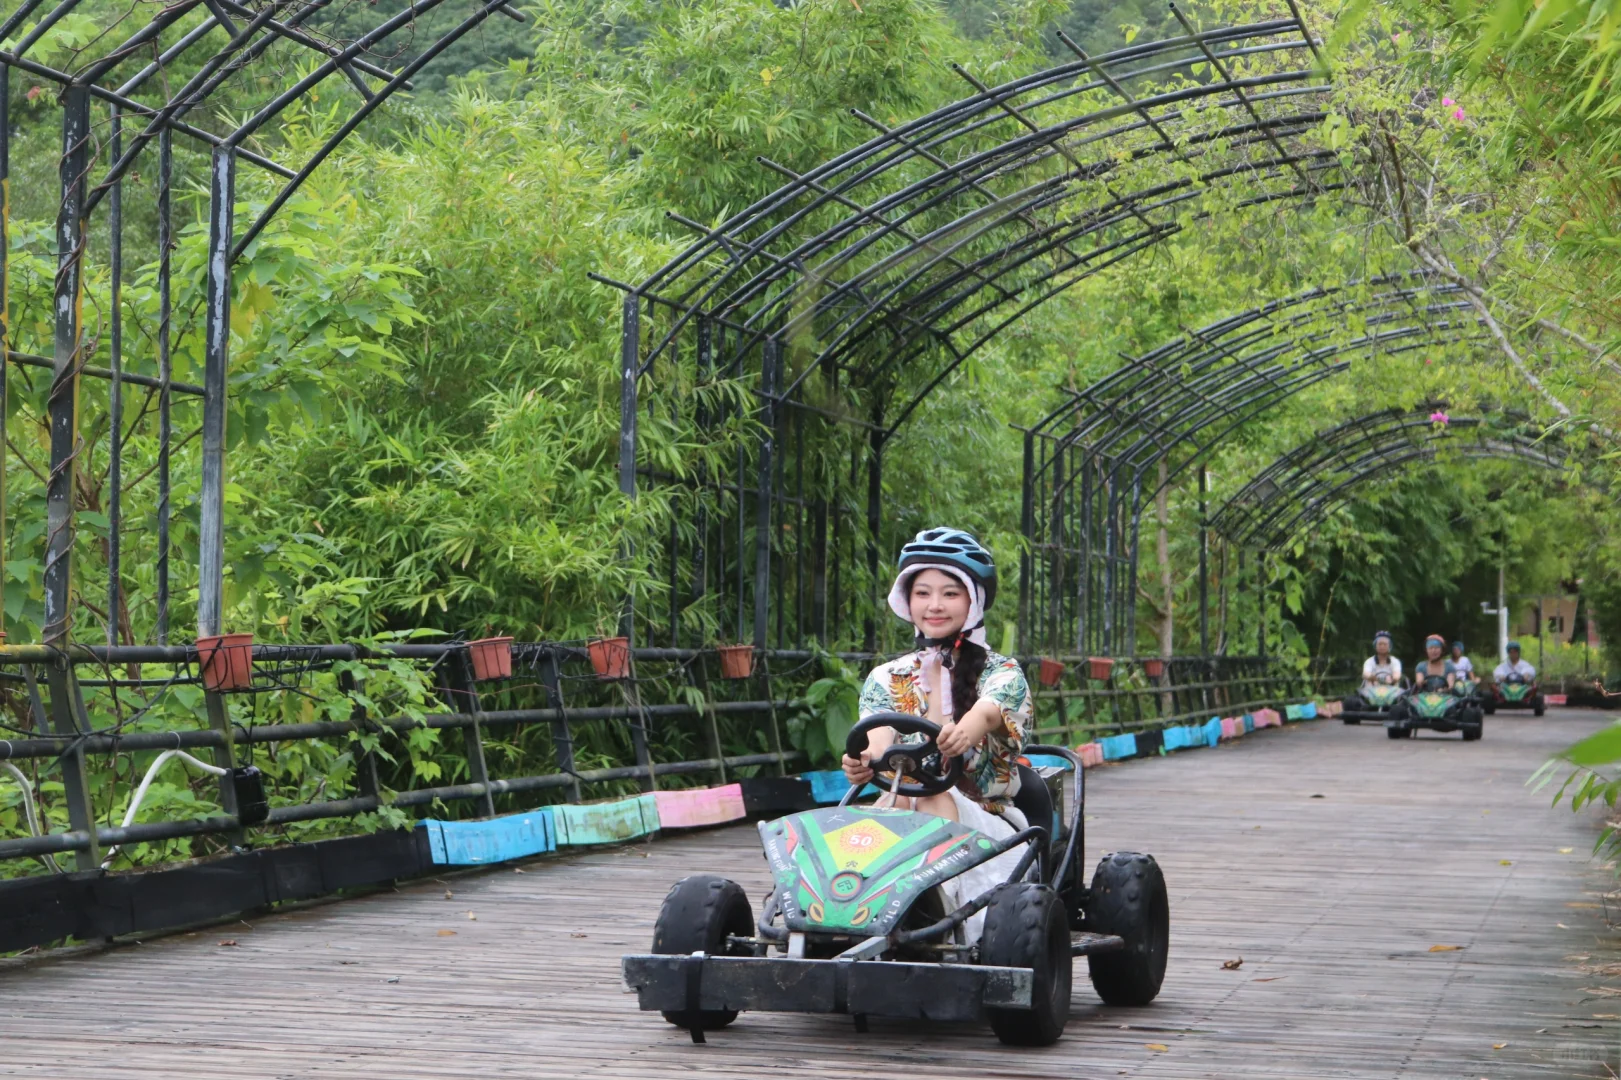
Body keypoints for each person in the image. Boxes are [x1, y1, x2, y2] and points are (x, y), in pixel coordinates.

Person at [841, 527, 1032, 941]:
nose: (935, 605)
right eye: (923, 593)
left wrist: (961, 734)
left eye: (950, 593)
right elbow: (878, 741)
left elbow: (986, 712)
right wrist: (863, 763)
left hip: (988, 828)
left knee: (929, 795)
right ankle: (843, 916)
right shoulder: (887, 677)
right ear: (906, 600)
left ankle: (938, 917)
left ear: (973, 600)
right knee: (887, 806)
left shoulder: (1002, 673)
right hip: (898, 813)